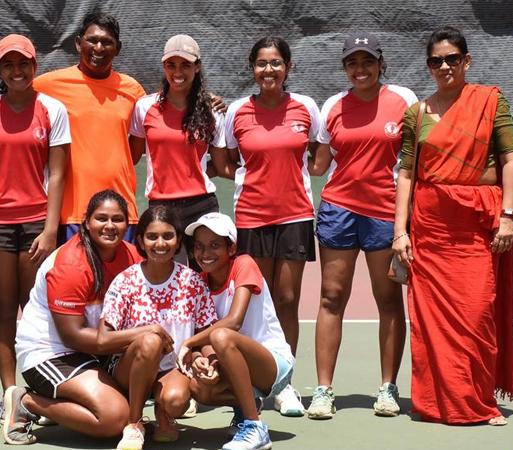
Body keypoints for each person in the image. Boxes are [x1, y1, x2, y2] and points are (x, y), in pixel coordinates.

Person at [392, 26, 513, 426]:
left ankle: (478, 402)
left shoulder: (490, 101)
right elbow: (407, 173)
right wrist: (401, 232)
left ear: (466, 61)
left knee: (478, 311)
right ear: (428, 65)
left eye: (451, 59)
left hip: (477, 225)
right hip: (431, 227)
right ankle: (434, 403)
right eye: (436, 60)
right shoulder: (416, 113)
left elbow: (511, 159)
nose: (444, 66)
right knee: (432, 320)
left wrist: (508, 216)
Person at [306, 33, 418, 419]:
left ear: (380, 64)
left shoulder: (404, 100)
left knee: (388, 300)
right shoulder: (333, 105)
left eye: (367, 61)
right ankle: (323, 390)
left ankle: (387, 388)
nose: (360, 69)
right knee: (331, 297)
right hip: (338, 209)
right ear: (345, 68)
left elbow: (419, 155)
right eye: (353, 62)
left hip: (386, 212)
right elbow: (318, 164)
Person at [214, 36, 321, 417]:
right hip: (251, 218)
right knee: (257, 303)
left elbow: (320, 149)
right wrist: (250, 175)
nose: (269, 70)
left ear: (288, 67)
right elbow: (223, 161)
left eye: (276, 63)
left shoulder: (306, 107)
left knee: (288, 300)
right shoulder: (238, 112)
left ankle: (284, 383)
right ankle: (254, 380)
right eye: (261, 63)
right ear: (252, 68)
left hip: (295, 216)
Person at [1, 190, 141, 445]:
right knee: (114, 418)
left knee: (147, 355)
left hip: (96, 352)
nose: (110, 226)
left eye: (118, 219)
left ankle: (75, 402)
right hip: (51, 353)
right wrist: (141, 334)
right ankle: (27, 402)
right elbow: (72, 336)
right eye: (102, 218)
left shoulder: (132, 256)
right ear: (86, 221)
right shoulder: (71, 264)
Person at [0, 34, 70, 397]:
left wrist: (49, 230)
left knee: (35, 310)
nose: (17, 70)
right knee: (3, 309)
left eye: (23, 63)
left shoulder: (53, 110)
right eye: (9, 64)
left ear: (34, 66)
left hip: (36, 225)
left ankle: (40, 391)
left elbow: (58, 174)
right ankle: (11, 393)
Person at [98, 205, 216, 449]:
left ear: (178, 240)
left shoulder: (192, 282)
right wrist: (148, 331)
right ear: (140, 240)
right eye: (152, 236)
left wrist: (205, 358)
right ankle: (134, 423)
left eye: (167, 236)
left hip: (171, 369)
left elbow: (206, 334)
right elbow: (104, 338)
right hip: (128, 368)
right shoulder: (126, 280)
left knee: (177, 401)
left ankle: (164, 412)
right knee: (151, 341)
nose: (160, 243)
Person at [179, 212, 295, 450]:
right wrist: (202, 359)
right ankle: (244, 410)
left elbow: (233, 322)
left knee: (222, 335)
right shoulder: (199, 282)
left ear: (231, 248)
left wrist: (188, 343)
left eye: (214, 245)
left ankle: (255, 427)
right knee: (197, 388)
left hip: (273, 364)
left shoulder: (244, 264)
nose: (205, 253)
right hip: (235, 363)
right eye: (199, 246)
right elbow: (205, 334)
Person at [32, 12, 145, 242]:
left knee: (120, 279)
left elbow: (134, 151)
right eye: (92, 40)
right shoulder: (49, 85)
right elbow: (6, 101)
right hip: (72, 213)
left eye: (107, 42)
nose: (99, 47)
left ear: (118, 48)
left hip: (121, 212)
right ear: (78, 43)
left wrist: (206, 100)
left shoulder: (132, 89)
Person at [129, 34, 221, 270]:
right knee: (166, 277)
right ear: (163, 66)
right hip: (161, 207)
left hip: (202, 206)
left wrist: (194, 172)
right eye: (171, 64)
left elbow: (220, 165)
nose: (177, 72)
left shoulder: (213, 111)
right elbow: (131, 156)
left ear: (197, 66)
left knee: (206, 277)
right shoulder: (144, 107)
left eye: (186, 65)